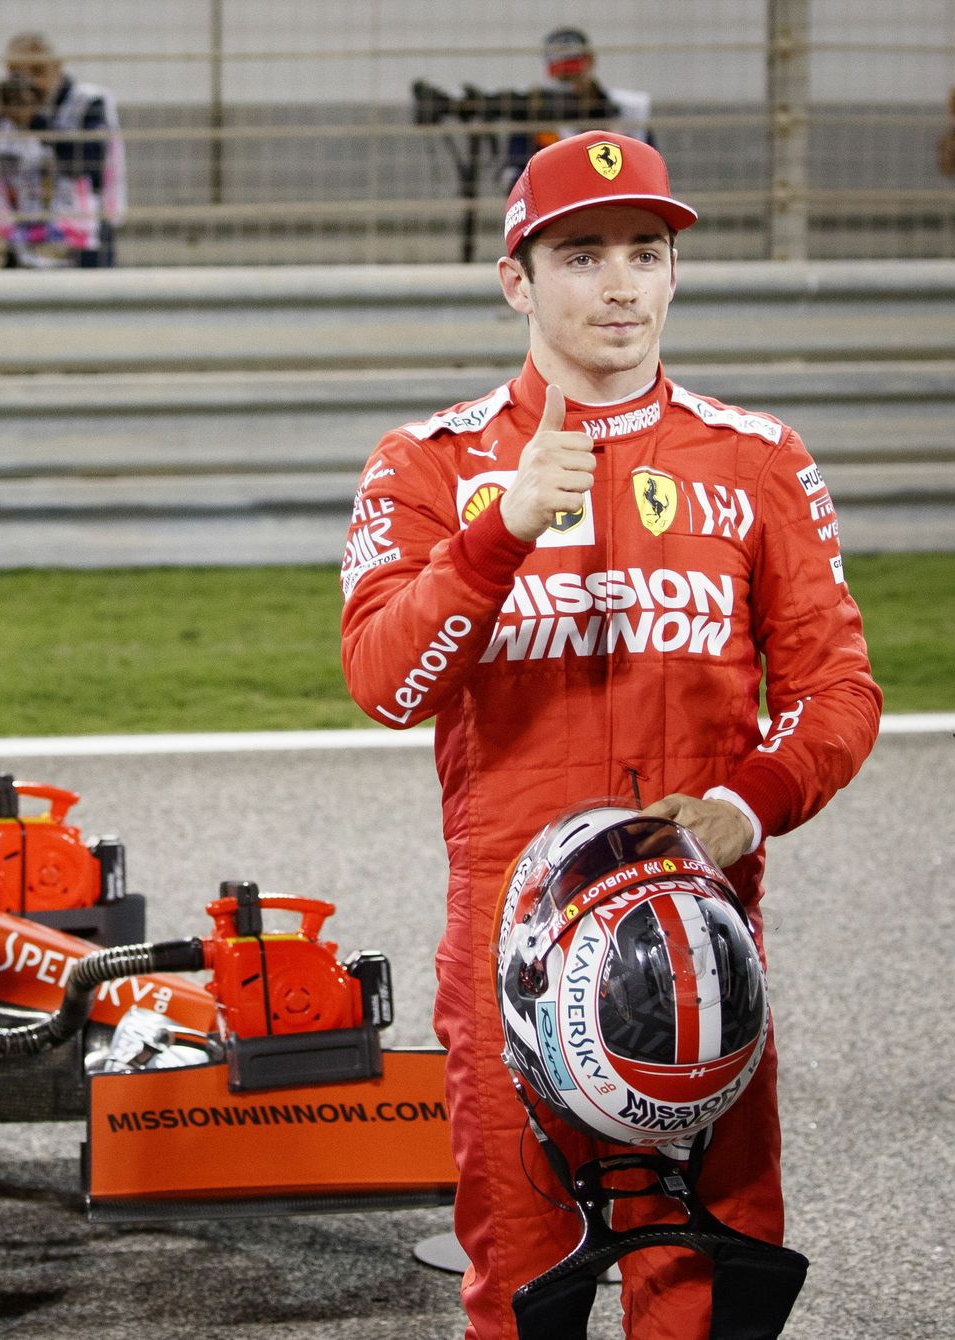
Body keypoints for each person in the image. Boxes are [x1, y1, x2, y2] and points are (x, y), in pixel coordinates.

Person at [339, 131, 881, 1339]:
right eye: (581, 255)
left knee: (703, 1289)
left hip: (703, 946)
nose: (621, 284)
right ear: (516, 279)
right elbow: (384, 683)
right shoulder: (429, 466)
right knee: (524, 1291)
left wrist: (749, 800)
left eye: (646, 250)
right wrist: (502, 530)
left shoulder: (758, 461)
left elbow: (836, 690)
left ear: (675, 271)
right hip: (507, 950)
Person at [0, 31, 125, 268]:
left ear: (57, 68)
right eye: (17, 73)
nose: (29, 83)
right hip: (12, 236)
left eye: (37, 72)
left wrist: (35, 122)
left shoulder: (87, 102)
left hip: (76, 236)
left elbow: (90, 167)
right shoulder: (0, 106)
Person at [504, 27, 651, 182]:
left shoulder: (629, 109)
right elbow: (515, 175)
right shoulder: (534, 112)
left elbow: (649, 166)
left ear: (591, 61)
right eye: (563, 78)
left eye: (574, 72)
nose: (570, 84)